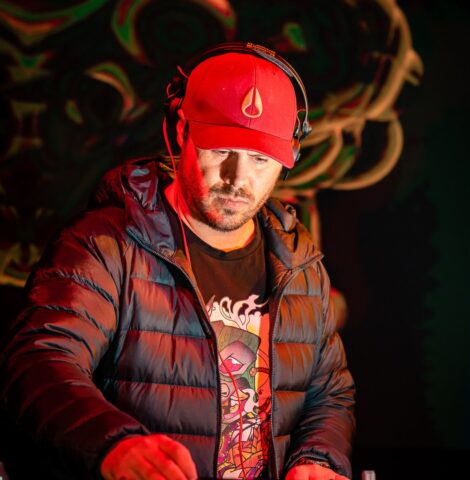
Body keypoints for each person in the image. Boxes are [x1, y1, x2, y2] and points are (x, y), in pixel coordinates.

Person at [0, 43, 355, 480]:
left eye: (261, 159)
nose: (237, 179)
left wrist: (319, 457)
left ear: (289, 159)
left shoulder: (300, 265)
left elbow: (330, 392)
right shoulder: (105, 246)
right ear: (181, 130)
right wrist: (113, 444)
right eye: (221, 150)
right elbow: (39, 361)